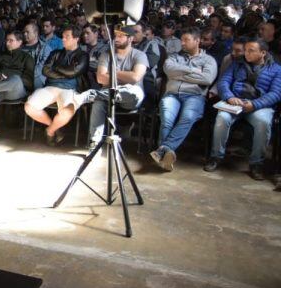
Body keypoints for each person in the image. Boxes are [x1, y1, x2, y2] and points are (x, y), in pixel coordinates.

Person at [205, 38, 281, 180]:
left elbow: (276, 93)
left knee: (263, 123)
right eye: (246, 50)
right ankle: (216, 156)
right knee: (222, 118)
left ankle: (256, 163)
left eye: (251, 51)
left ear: (263, 52)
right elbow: (224, 82)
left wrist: (255, 104)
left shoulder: (276, 69)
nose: (246, 53)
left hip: (259, 105)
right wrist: (229, 97)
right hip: (236, 102)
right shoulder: (237, 64)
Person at [150, 28, 217, 172]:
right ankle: (167, 155)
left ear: (197, 41)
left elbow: (207, 78)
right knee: (166, 119)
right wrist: (194, 72)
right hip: (172, 94)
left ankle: (163, 151)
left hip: (194, 96)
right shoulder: (174, 57)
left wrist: (178, 74)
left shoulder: (208, 60)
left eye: (186, 40)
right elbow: (168, 70)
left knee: (188, 117)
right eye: (182, 40)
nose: (182, 43)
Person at [85, 26, 149, 148]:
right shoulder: (107, 54)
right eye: (116, 36)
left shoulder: (140, 55)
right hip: (108, 94)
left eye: (121, 36)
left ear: (130, 39)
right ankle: (94, 142)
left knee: (133, 91)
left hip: (130, 98)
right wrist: (125, 76)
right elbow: (100, 78)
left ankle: (92, 95)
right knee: (98, 103)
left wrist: (112, 72)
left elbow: (135, 78)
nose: (117, 39)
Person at [24, 25, 89, 146]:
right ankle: (55, 128)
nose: (63, 39)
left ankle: (50, 131)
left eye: (67, 37)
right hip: (50, 87)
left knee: (67, 110)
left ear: (76, 39)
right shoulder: (56, 53)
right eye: (63, 36)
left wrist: (57, 68)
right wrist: (66, 73)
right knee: (29, 106)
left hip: (70, 89)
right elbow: (45, 70)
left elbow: (74, 72)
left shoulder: (83, 55)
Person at [22, 23, 52, 90]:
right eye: (24, 32)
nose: (25, 34)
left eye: (27, 32)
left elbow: (42, 67)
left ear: (35, 33)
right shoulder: (20, 47)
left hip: (36, 78)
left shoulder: (45, 48)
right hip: (22, 77)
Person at [81, 24, 108, 89]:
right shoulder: (80, 48)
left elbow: (99, 65)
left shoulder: (105, 48)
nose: (85, 35)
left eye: (87, 33)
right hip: (82, 78)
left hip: (95, 78)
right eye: (83, 33)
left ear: (96, 34)